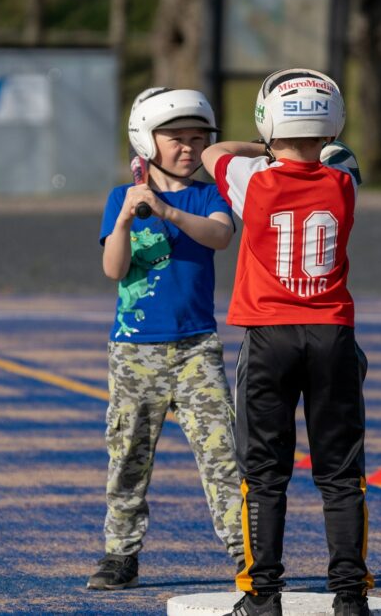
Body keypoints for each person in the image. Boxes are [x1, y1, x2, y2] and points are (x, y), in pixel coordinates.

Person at [202, 69, 373, 616]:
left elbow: (213, 152)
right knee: (341, 476)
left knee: (263, 476)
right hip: (331, 335)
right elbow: (339, 154)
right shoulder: (343, 180)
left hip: (269, 335)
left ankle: (262, 595)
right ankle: (350, 596)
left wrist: (266, 147)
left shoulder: (252, 178)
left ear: (268, 121)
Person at [88, 87, 244, 590]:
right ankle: (120, 554)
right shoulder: (122, 197)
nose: (189, 147)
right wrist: (126, 218)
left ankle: (247, 552)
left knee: (222, 453)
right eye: (176, 138)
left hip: (197, 347)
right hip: (135, 349)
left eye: (198, 138)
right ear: (145, 141)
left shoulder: (208, 195)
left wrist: (168, 211)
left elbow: (221, 235)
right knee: (128, 453)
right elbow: (114, 269)